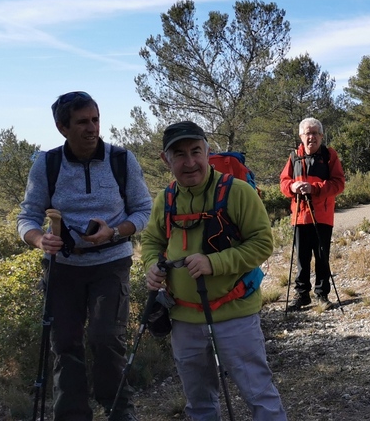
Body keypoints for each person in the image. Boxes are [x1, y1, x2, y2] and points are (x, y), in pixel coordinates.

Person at [16, 91, 152, 421]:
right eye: (82, 122)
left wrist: (115, 232)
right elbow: (27, 216)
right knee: (65, 344)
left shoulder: (122, 160)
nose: (92, 128)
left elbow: (143, 210)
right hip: (62, 267)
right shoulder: (46, 164)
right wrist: (40, 240)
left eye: (95, 119)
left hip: (111, 263)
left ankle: (118, 411)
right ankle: (72, 415)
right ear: (62, 127)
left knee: (105, 338)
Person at [141, 121, 287, 421]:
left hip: (235, 315)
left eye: (196, 151)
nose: (190, 162)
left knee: (259, 395)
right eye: (179, 154)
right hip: (183, 320)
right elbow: (152, 240)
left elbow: (262, 244)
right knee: (199, 404)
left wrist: (214, 263)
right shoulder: (165, 199)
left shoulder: (238, 193)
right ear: (165, 159)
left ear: (208, 151)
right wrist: (151, 265)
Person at [280, 117, 346, 311]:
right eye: (308, 133)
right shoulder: (294, 157)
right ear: (301, 136)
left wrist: (314, 188)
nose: (311, 137)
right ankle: (302, 295)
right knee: (301, 258)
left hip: (322, 217)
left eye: (315, 133)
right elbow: (283, 183)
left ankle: (322, 295)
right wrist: (293, 186)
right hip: (299, 217)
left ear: (321, 136)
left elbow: (338, 183)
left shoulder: (329, 156)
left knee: (322, 256)